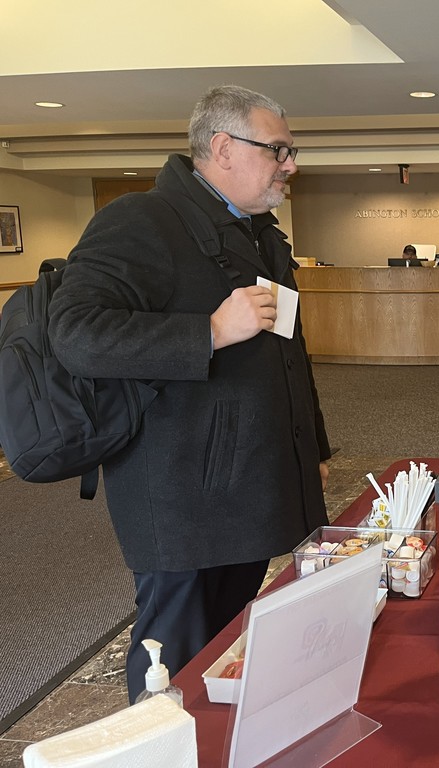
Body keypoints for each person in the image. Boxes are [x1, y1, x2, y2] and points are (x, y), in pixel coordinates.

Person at [48, 85, 332, 702]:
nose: (291, 164)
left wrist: (311, 444)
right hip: (181, 496)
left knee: (227, 642)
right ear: (222, 147)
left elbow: (288, 349)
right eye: (278, 149)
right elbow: (75, 333)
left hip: (252, 485)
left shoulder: (261, 233)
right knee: (169, 658)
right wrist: (207, 331)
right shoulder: (139, 221)